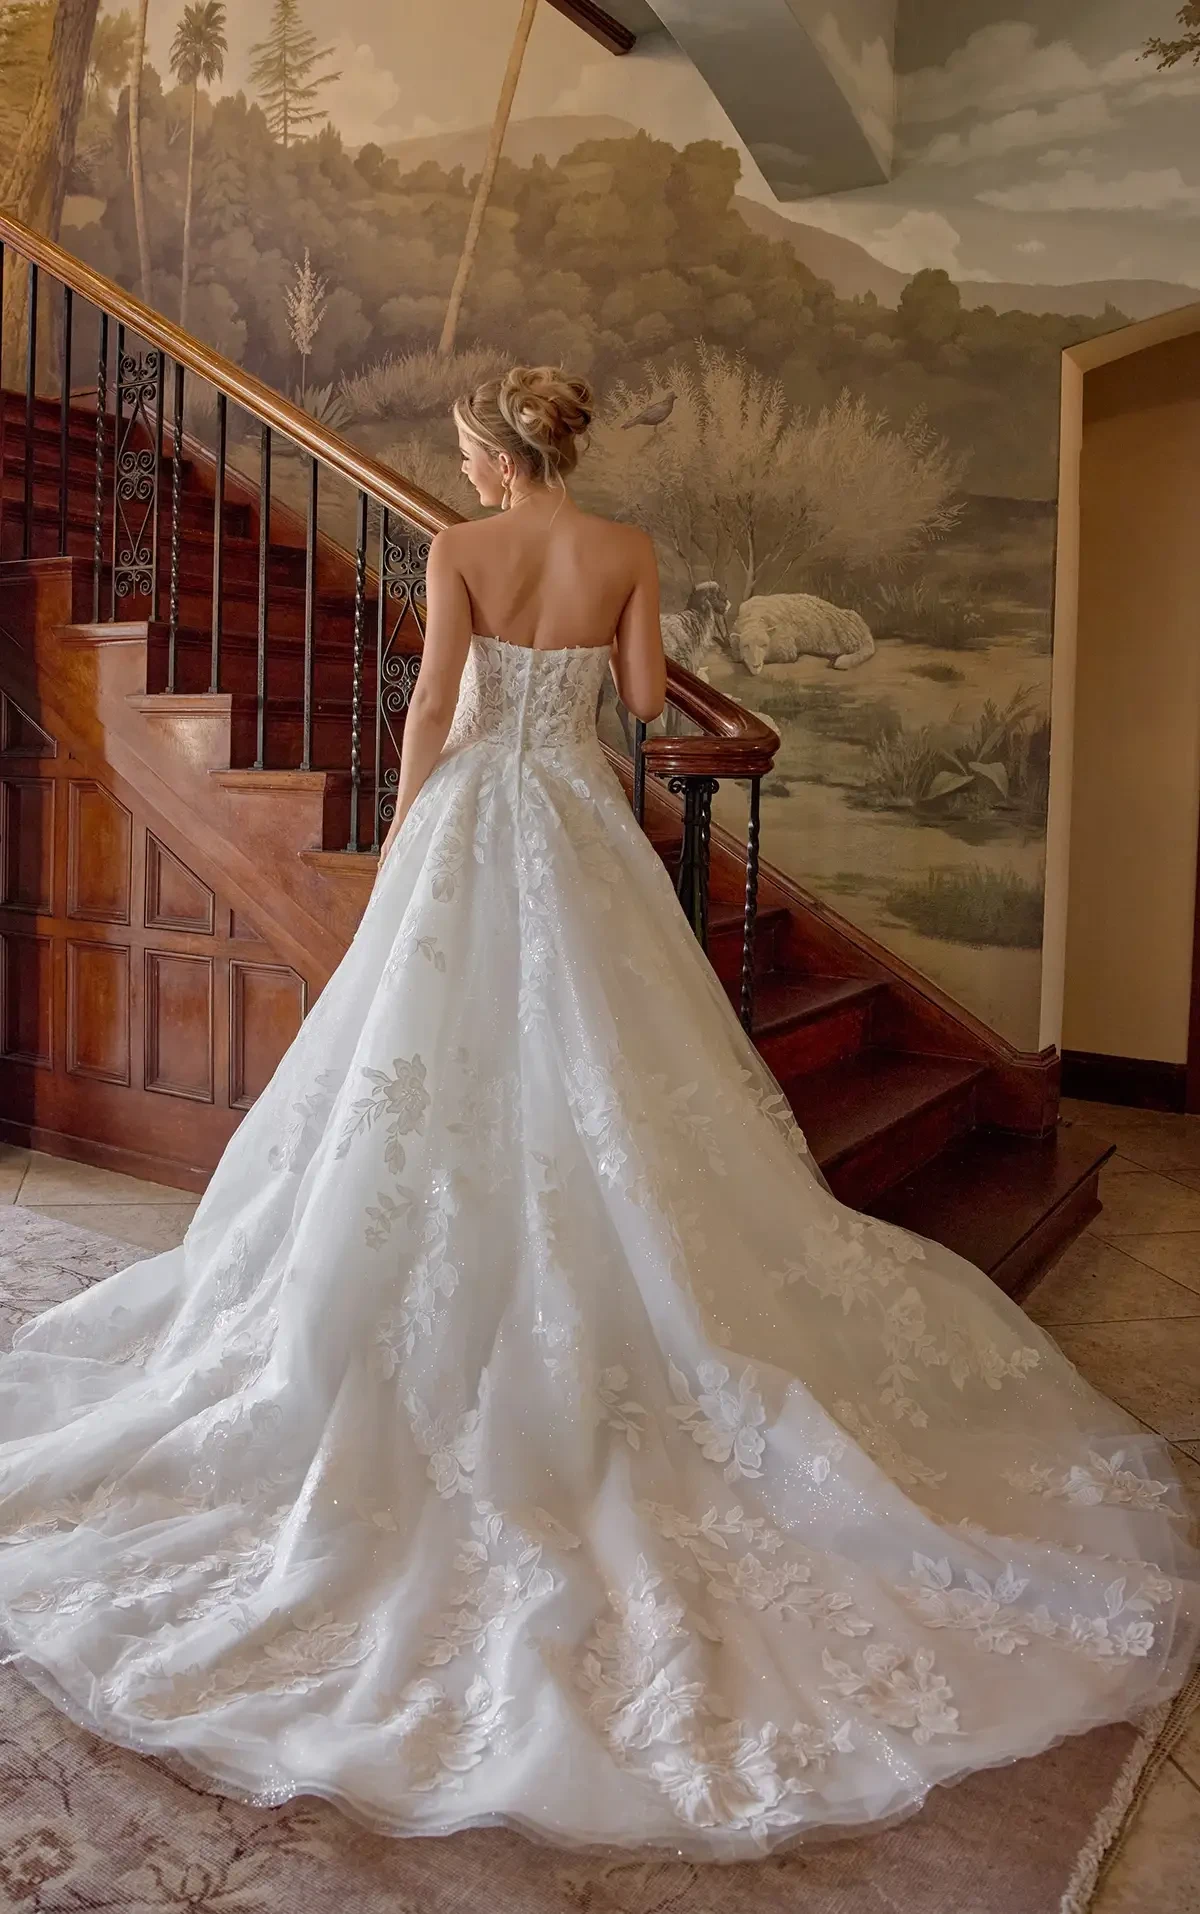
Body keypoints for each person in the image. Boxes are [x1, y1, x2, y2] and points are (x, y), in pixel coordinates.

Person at [0, 366, 1196, 1863]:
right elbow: (640, 709)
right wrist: (585, 686)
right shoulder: (623, 550)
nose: (463, 467)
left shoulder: (459, 552)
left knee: (422, 1085)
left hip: (473, 826)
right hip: (577, 824)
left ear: (498, 455)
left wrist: (404, 838)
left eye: (464, 450)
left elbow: (433, 699)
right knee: (618, 1090)